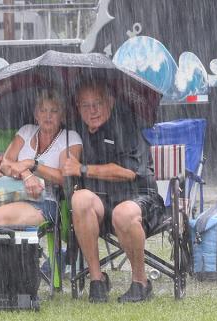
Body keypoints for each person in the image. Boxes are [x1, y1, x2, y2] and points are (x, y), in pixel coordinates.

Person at [62, 81, 165, 304]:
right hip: (101, 204)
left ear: (109, 102)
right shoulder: (75, 133)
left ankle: (141, 282)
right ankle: (97, 280)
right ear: (78, 107)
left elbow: (128, 172)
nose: (93, 111)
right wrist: (21, 165)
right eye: (86, 105)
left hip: (138, 197)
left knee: (123, 213)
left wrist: (83, 169)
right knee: (79, 199)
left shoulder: (126, 124)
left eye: (97, 103)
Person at [0, 88, 82, 227]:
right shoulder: (26, 131)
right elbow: (5, 164)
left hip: (45, 202)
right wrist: (26, 174)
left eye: (54, 111)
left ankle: (8, 248)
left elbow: (65, 178)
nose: (48, 116)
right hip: (11, 195)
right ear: (36, 114)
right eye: (43, 110)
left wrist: (31, 164)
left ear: (62, 115)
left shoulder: (70, 138)